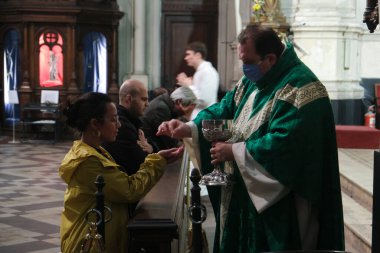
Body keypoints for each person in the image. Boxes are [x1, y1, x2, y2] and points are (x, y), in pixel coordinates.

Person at [157, 24, 345, 252]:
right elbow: (225, 108)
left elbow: (288, 147)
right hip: (243, 192)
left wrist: (235, 151)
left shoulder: (302, 88)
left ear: (271, 58)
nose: (244, 69)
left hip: (279, 206)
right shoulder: (255, 78)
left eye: (248, 62)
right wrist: (188, 127)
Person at [59, 92, 182, 253]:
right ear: (95, 124)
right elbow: (129, 190)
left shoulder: (96, 151)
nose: (119, 125)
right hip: (89, 244)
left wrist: (158, 160)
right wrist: (157, 161)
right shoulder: (88, 161)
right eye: (113, 119)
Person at [103, 79, 152, 175]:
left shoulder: (130, 121)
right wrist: (149, 151)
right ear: (128, 99)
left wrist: (149, 147)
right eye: (143, 99)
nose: (147, 104)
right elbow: (139, 164)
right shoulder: (123, 126)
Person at [141, 86, 197, 151]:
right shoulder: (161, 108)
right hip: (149, 148)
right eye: (187, 111)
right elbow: (170, 140)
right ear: (179, 101)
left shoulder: (165, 103)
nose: (185, 113)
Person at [176, 41, 219, 118]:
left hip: (205, 120)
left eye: (188, 54)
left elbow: (205, 100)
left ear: (198, 55)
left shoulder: (208, 71)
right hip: (199, 118)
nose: (186, 58)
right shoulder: (199, 72)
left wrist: (189, 86)